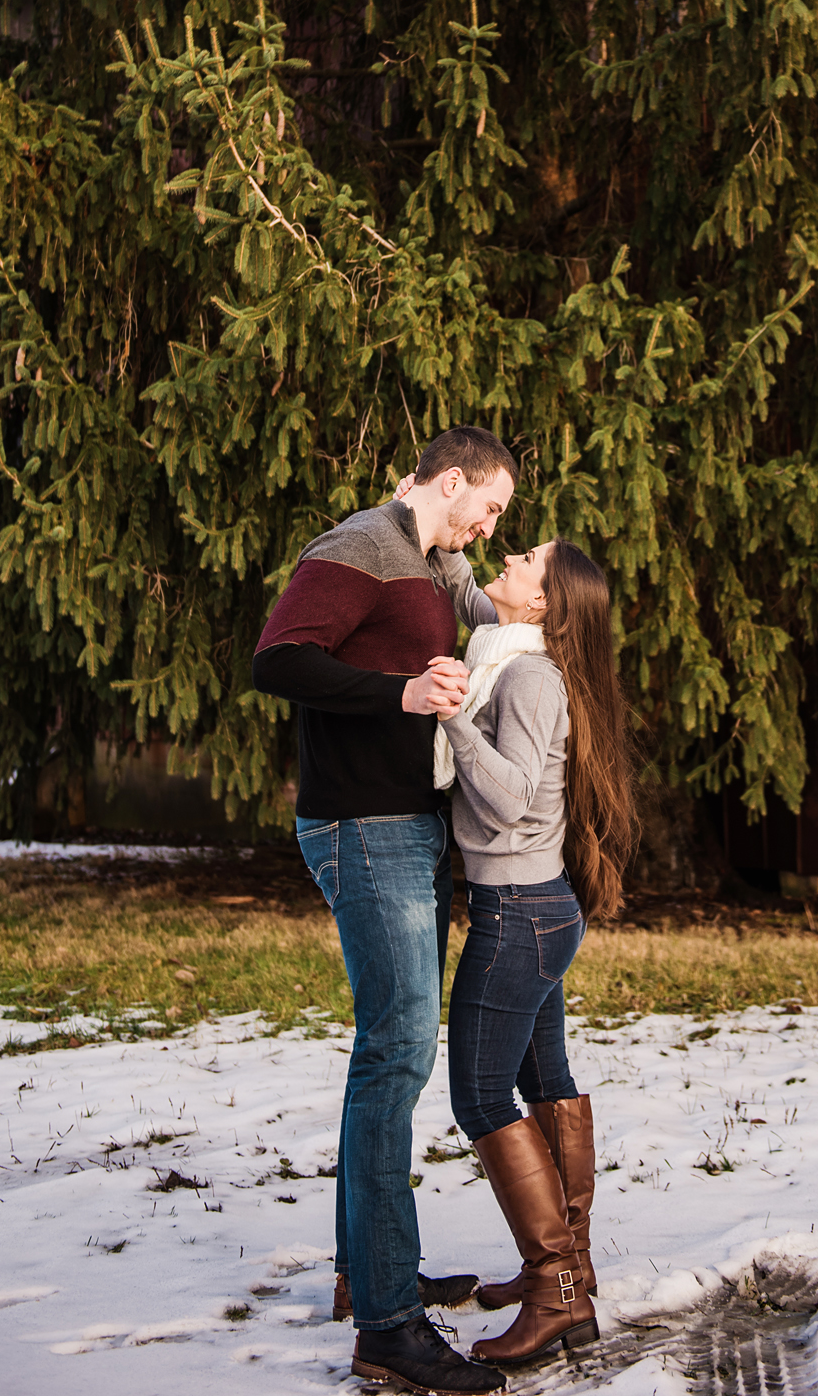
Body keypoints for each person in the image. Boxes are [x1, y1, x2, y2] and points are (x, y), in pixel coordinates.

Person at [252, 425, 517, 1396]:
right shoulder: (359, 545)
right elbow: (277, 659)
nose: (489, 526)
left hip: (410, 825)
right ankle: (388, 1327)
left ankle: (367, 1272)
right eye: (487, 507)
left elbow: (494, 621)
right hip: (361, 826)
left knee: (390, 1046)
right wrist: (397, 690)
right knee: (398, 1049)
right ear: (451, 482)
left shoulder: (437, 567)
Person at [432, 531, 639, 1370]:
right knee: (542, 1082)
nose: (507, 559)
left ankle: (557, 1290)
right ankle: (568, 1270)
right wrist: (436, 525)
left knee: (481, 1096)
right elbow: (464, 590)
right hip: (539, 907)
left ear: (543, 602)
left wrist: (451, 715)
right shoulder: (512, 647)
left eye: (524, 561)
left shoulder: (523, 674)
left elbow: (513, 796)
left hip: (519, 910)